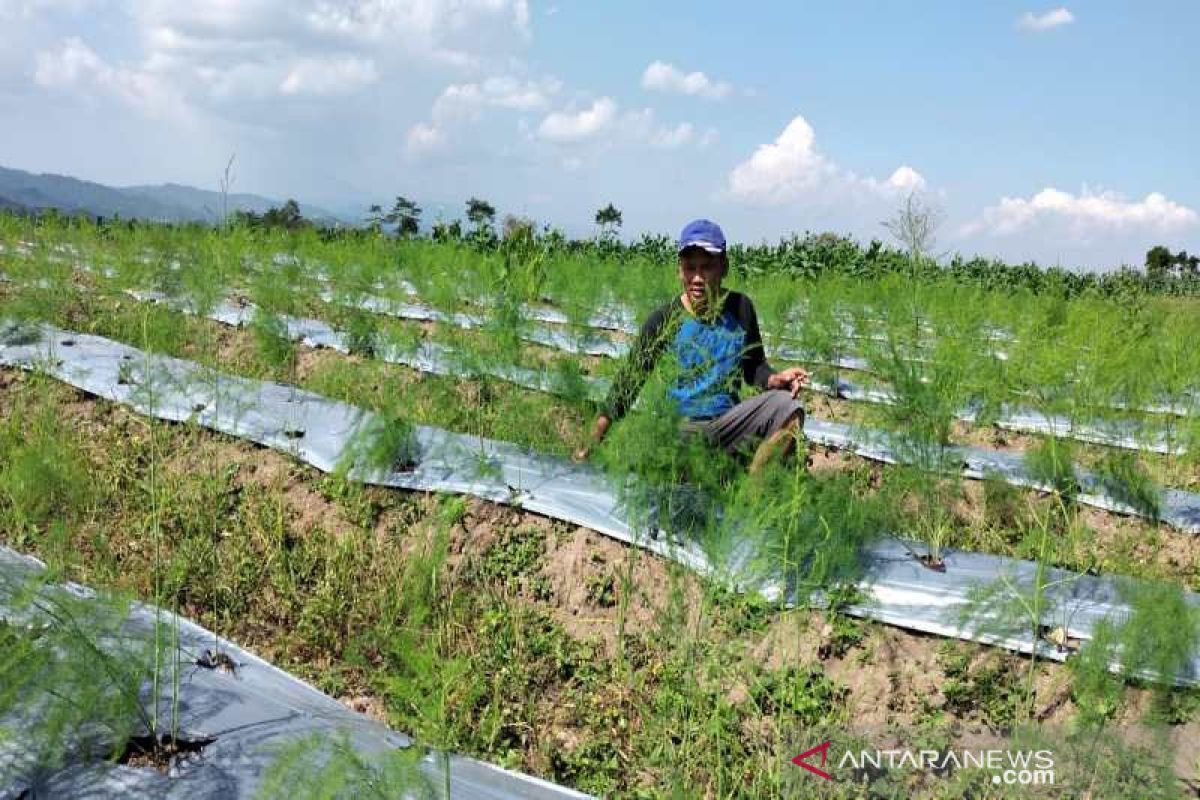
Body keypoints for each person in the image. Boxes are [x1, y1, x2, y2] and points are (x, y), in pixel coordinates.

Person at [573, 219, 809, 475]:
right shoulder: (664, 320)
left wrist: (775, 378)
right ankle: (709, 475)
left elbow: (754, 366)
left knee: (789, 407)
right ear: (679, 270)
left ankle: (751, 496)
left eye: (706, 267)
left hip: (728, 425)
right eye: (690, 268)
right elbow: (629, 383)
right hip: (679, 429)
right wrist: (592, 441)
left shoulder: (740, 308)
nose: (697, 278)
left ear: (724, 267)